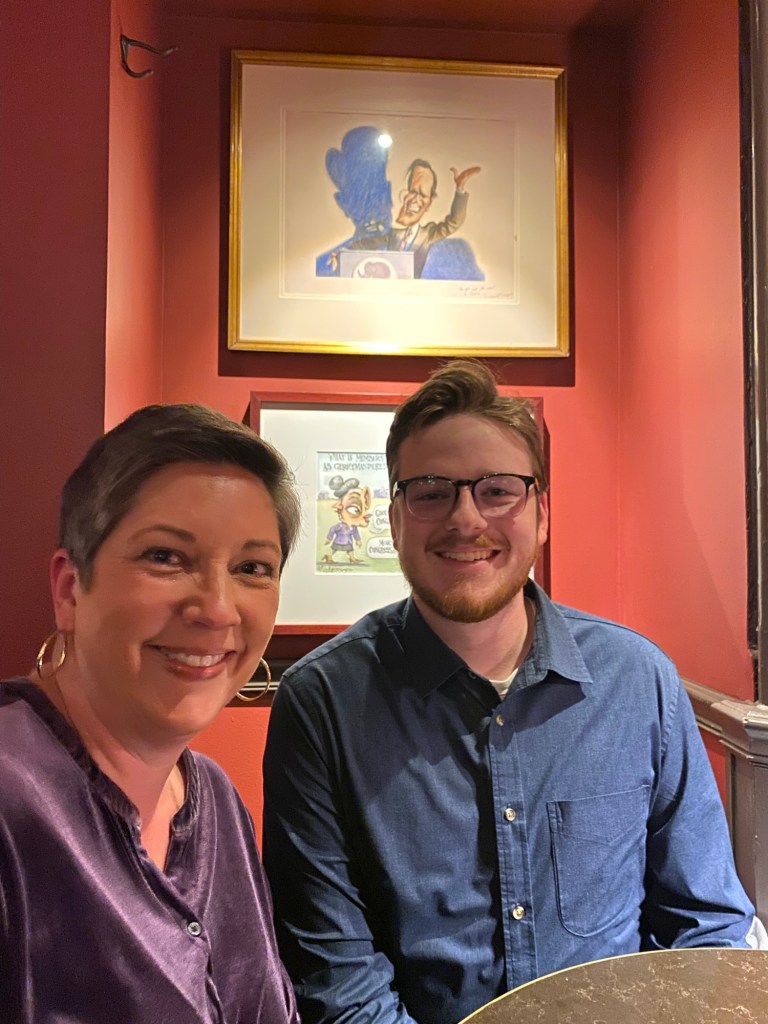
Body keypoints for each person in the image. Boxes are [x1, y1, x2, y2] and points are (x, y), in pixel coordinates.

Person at [262, 360, 759, 1024]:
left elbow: (705, 927)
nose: (466, 519)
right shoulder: (321, 701)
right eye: (432, 491)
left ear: (541, 512)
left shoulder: (638, 681)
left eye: (498, 490)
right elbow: (336, 982)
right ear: (394, 518)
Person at [0, 404, 302, 1023]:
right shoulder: (11, 798)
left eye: (252, 568)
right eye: (166, 557)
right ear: (69, 588)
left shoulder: (215, 799)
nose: (217, 610)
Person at [345, 159, 482, 278]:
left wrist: (460, 189)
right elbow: (367, 244)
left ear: (429, 203)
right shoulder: (392, 233)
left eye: (422, 195)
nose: (415, 199)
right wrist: (343, 254)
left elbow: (454, 221)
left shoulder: (428, 234)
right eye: (412, 191)